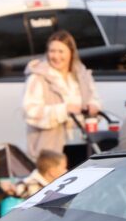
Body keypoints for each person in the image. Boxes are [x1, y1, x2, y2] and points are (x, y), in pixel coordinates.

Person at [22, 30, 102, 159]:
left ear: (71, 53)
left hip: (82, 143)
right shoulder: (38, 77)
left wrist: (94, 106)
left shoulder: (82, 76)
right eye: (52, 51)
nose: (56, 56)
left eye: (61, 51)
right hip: (49, 150)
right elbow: (30, 112)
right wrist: (64, 109)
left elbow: (95, 99)